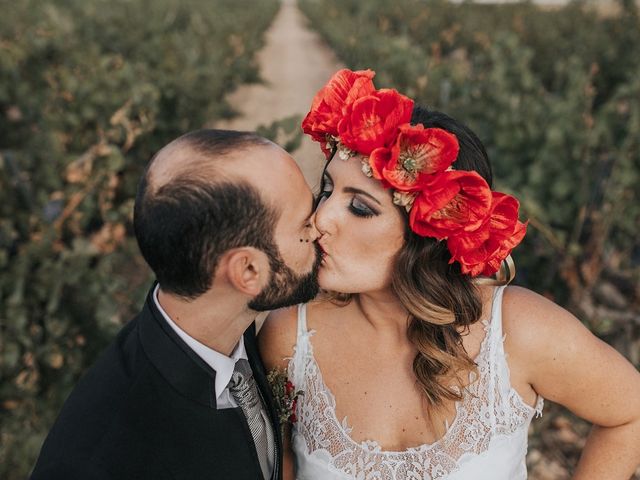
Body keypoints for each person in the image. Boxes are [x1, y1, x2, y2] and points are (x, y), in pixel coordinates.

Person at [259, 69, 640, 479]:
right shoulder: (288, 338)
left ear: (429, 234)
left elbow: (629, 414)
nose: (320, 218)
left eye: (361, 208)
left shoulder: (518, 331)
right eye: (328, 189)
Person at [31, 129, 322, 479]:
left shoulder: (231, 321)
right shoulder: (99, 461)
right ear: (247, 270)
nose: (320, 229)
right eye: (305, 225)